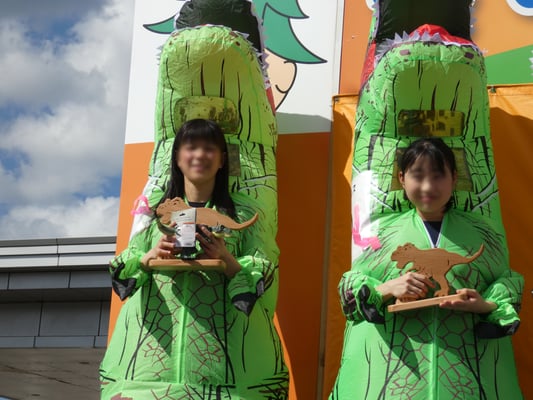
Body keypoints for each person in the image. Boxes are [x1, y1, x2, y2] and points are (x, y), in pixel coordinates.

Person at [100, 119, 289, 399]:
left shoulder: (243, 213)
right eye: (191, 147)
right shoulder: (152, 215)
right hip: (149, 372)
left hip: (226, 372)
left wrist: (228, 261)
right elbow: (125, 265)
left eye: (209, 148)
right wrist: (149, 257)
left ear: (222, 159)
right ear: (177, 157)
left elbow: (265, 268)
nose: (200, 155)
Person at [329, 137, 524, 399]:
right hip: (396, 379)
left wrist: (485, 305)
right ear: (402, 178)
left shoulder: (482, 233)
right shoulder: (380, 234)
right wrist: (387, 288)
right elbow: (349, 288)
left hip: (467, 378)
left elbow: (509, 284)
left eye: (438, 175)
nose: (428, 186)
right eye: (418, 176)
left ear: (454, 178)